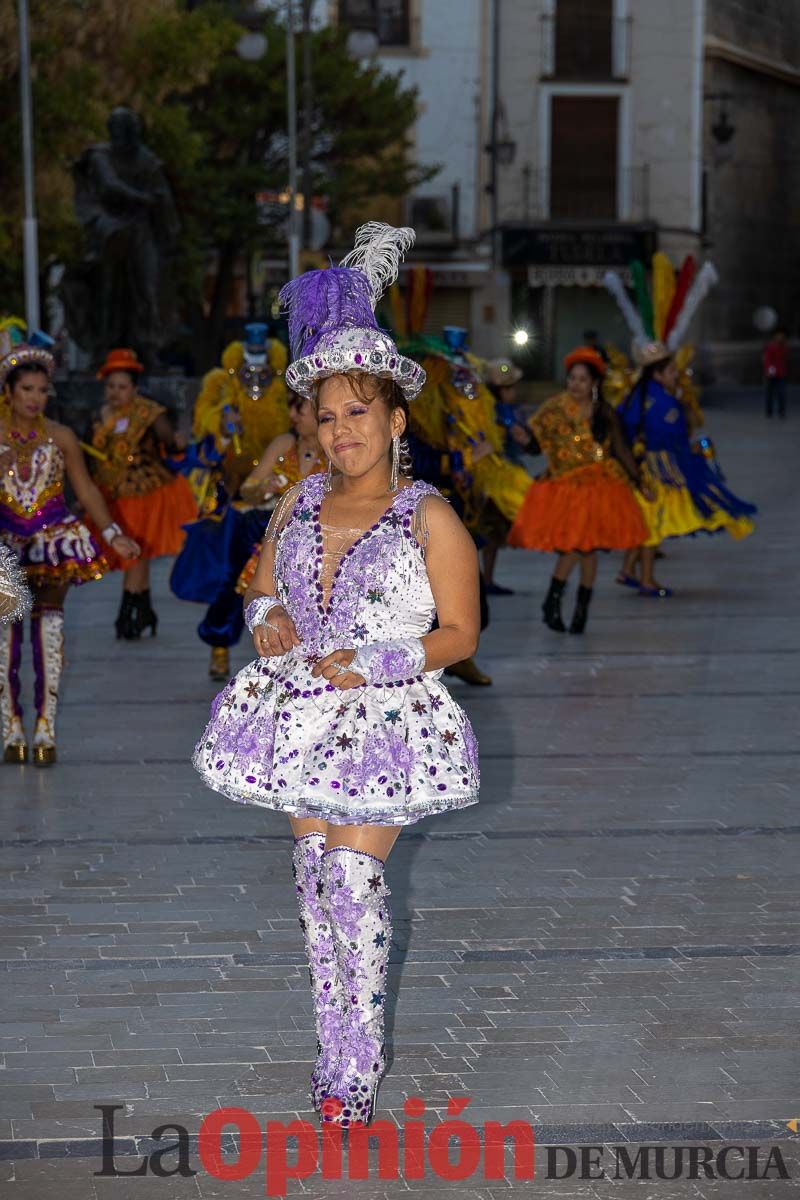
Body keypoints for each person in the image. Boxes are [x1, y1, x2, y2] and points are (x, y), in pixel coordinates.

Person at [193, 223, 480, 1127]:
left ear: (396, 420)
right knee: (316, 882)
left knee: (355, 885)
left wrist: (382, 660)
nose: (340, 429)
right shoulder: (299, 499)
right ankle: (332, 1051)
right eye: (326, 414)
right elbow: (261, 591)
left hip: (387, 722)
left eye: (358, 412)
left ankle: (357, 1067)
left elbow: (463, 634)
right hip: (299, 717)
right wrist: (267, 617)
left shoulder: (429, 515)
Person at [0, 342, 139, 764]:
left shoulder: (61, 438)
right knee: (6, 638)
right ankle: (11, 726)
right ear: (9, 392)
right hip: (5, 545)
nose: (35, 398)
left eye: (43, 390)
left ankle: (46, 727)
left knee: (49, 632)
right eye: (27, 389)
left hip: (52, 542)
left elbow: (87, 490)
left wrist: (113, 532)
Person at [508, 346, 649, 633]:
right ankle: (553, 601)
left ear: (594, 383)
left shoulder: (603, 411)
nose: (575, 385)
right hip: (567, 488)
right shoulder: (554, 408)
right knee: (575, 547)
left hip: (601, 487)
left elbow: (621, 448)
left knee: (588, 549)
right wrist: (524, 440)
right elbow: (537, 445)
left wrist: (638, 481)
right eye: (572, 378)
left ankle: (580, 609)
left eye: (582, 380)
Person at [188, 324, 289, 679]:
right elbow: (204, 438)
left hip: (282, 500)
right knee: (231, 579)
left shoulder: (285, 386)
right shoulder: (222, 384)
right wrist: (220, 426)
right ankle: (219, 646)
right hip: (235, 499)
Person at [616, 342, 756, 596]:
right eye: (671, 372)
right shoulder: (664, 403)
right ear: (657, 374)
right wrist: (693, 450)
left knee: (647, 520)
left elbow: (624, 426)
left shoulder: (635, 396)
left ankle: (627, 570)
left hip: (640, 467)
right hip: (659, 470)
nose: (675, 377)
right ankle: (646, 579)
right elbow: (673, 438)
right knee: (652, 524)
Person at [90, 348, 196, 638]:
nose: (115, 392)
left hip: (148, 493)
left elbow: (172, 445)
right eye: (111, 386)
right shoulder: (100, 416)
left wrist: (177, 442)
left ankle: (127, 613)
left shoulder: (148, 412)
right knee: (137, 554)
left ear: (135, 388)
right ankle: (144, 610)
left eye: (122, 387)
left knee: (137, 553)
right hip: (114, 494)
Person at [235, 391, 326, 595]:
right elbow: (247, 490)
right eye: (291, 408)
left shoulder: (336, 448)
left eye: (299, 409)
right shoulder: (284, 444)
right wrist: (263, 490)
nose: (292, 415)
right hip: (279, 544)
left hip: (323, 549)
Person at [763, 328, 788, 419]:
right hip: (771, 374)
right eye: (779, 336)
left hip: (781, 374)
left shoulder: (784, 347)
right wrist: (770, 371)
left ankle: (781, 411)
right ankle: (769, 411)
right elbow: (768, 360)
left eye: (782, 336)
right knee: (769, 394)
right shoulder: (771, 346)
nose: (780, 338)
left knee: (782, 393)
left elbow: (784, 360)